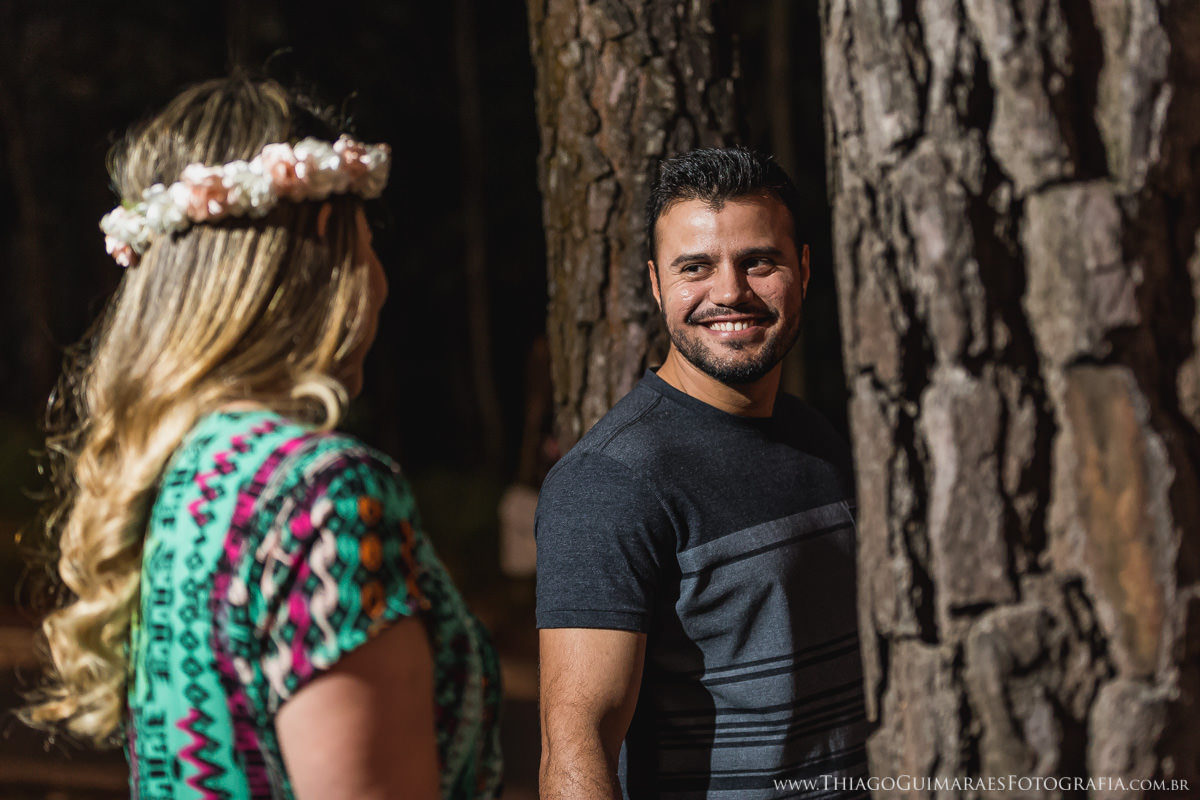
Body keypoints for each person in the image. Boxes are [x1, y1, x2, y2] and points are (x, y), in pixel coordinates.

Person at [21, 75, 502, 799]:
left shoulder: (176, 475)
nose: (378, 280)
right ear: (319, 240)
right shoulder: (322, 493)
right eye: (366, 244)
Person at [535, 147, 871, 798]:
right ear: (657, 284)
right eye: (696, 268)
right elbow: (578, 741)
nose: (729, 292)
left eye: (759, 261)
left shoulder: (820, 439)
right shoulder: (609, 481)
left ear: (802, 268)